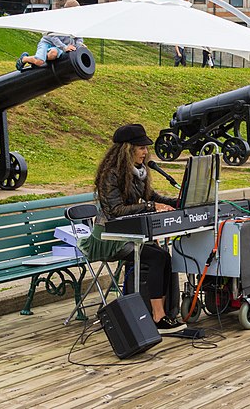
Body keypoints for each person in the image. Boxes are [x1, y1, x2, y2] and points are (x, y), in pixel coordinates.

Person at [78, 123, 182, 331]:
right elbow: (115, 210)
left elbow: (151, 197)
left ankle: (164, 311)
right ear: (128, 149)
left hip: (128, 234)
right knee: (158, 257)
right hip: (108, 238)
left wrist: (175, 202)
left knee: (165, 257)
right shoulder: (111, 174)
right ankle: (157, 315)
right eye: (141, 147)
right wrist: (151, 206)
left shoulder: (139, 172)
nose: (145, 152)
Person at [17, 0, 85, 71]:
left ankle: (39, 58)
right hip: (47, 42)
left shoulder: (76, 23)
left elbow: (79, 38)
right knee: (39, 61)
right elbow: (53, 36)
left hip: (59, 47)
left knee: (53, 54)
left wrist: (79, 46)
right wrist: (64, 47)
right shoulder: (57, 19)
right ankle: (24, 59)